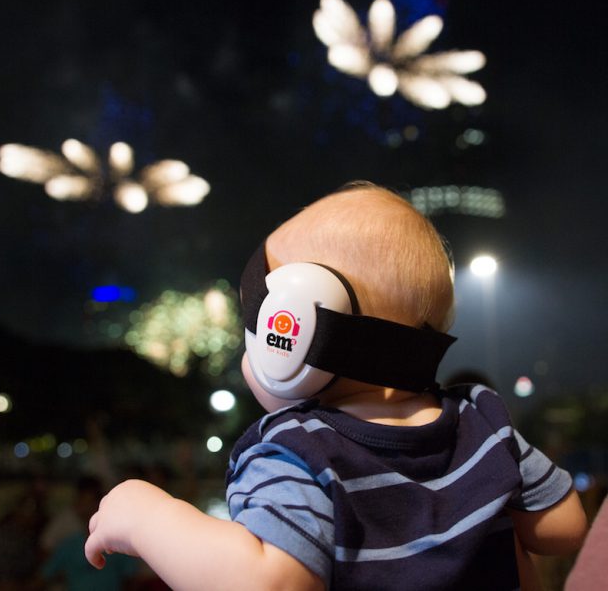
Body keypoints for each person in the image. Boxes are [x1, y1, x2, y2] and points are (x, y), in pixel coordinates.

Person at [84, 182, 588, 590]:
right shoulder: (481, 419)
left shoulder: (299, 452)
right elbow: (564, 527)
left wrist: (148, 516)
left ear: (293, 330)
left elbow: (268, 583)